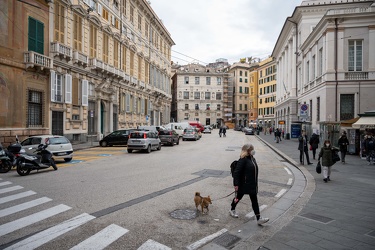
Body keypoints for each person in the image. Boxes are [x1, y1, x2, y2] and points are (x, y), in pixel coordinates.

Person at [229, 143, 269, 225]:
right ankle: (232, 209)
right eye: (251, 149)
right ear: (247, 151)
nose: (253, 151)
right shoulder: (243, 160)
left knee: (254, 201)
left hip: (252, 184)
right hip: (243, 184)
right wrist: (236, 184)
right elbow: (237, 172)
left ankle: (258, 218)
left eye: (252, 149)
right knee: (238, 198)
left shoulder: (252, 159)